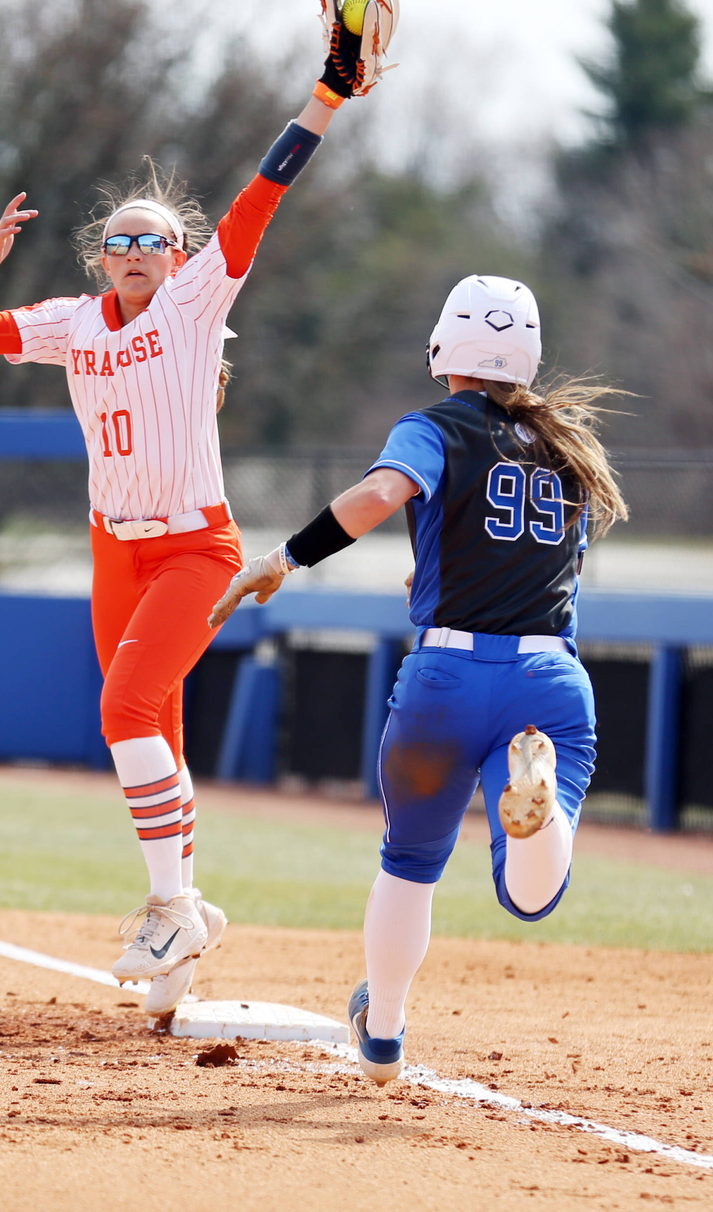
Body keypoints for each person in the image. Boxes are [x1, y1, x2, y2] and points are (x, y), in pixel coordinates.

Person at [0, 0, 399, 1020]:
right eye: (122, 239)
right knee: (161, 727)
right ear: (102, 260)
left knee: (123, 708)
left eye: (155, 237)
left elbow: (262, 194)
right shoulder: (68, 321)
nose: (138, 249)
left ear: (181, 257)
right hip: (116, 546)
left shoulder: (195, 303)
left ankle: (171, 907)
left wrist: (325, 95)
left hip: (195, 546)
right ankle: (179, 964)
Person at [209, 274, 628, 1082]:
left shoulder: (434, 425)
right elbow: (539, 565)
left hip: (446, 676)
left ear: (443, 349)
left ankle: (385, 1033)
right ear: (528, 359)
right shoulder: (567, 446)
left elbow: (379, 495)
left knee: (409, 859)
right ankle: (533, 822)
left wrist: (283, 557)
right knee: (532, 896)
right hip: (547, 681)